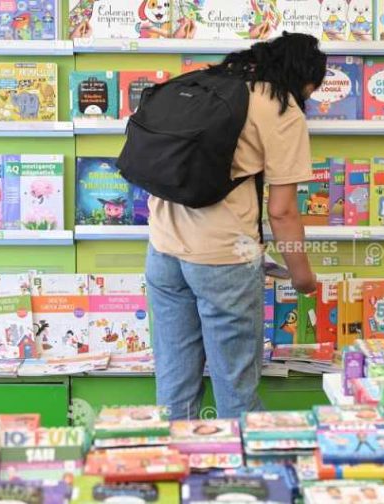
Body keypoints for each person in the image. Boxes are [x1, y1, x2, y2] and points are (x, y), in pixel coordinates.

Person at [146, 33, 326, 420]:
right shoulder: (280, 107)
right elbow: (282, 212)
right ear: (303, 80)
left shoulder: (210, 79)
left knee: (174, 385)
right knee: (236, 390)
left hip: (162, 249)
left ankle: (174, 455)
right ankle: (243, 460)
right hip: (224, 258)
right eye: (311, 92)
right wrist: (302, 277)